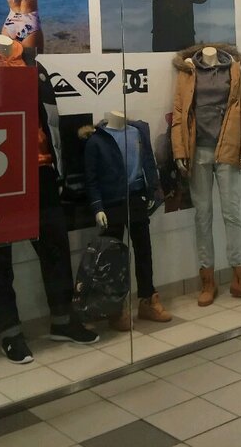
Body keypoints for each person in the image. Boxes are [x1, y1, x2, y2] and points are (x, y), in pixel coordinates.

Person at [0, 34, 98, 364]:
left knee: (55, 247)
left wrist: (58, 169)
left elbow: (50, 123)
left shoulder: (35, 67)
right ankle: (9, 332)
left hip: (40, 170)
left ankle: (63, 320)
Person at [171, 43, 241, 306]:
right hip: (197, 149)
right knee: (203, 215)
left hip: (228, 148)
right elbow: (179, 113)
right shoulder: (187, 71)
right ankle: (207, 280)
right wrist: (179, 150)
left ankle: (240, 277)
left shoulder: (233, 69)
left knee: (232, 213)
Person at [84, 110, 171, 331]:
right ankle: (115, 308)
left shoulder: (137, 133)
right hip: (112, 202)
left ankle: (147, 298)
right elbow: (91, 179)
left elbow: (148, 162)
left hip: (136, 197)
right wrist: (97, 207)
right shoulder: (96, 141)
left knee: (144, 250)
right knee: (113, 257)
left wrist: (152, 191)